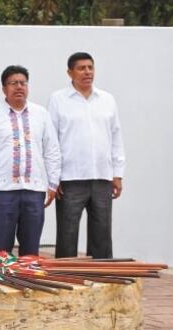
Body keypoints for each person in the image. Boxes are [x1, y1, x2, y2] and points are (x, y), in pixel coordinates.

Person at [0, 65, 60, 257]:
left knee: (31, 250)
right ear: (4, 88)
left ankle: (28, 285)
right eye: (13, 83)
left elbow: (52, 151)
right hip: (2, 192)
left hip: (34, 190)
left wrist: (53, 184)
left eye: (23, 83)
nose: (19, 87)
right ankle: (1, 284)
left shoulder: (41, 114)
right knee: (0, 248)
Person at [47, 52, 125, 259]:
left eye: (90, 67)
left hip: (102, 177)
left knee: (102, 232)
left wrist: (117, 174)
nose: (87, 72)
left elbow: (116, 137)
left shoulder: (107, 100)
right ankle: (66, 276)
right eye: (81, 68)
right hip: (70, 178)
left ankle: (102, 276)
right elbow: (51, 141)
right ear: (69, 72)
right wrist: (54, 178)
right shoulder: (58, 100)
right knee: (67, 231)